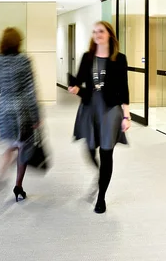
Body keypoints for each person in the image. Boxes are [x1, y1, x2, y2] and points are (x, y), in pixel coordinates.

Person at [68, 21, 131, 214]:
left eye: (101, 31)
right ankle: (100, 175)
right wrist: (74, 88)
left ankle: (101, 197)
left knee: (106, 152)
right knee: (88, 149)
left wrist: (126, 116)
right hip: (89, 108)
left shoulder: (119, 59)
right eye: (94, 31)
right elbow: (78, 82)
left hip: (111, 109)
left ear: (109, 34)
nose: (97, 34)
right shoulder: (87, 57)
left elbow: (124, 88)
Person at [0, 27, 40, 203]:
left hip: (5, 111)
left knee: (9, 148)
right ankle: (18, 186)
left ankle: (0, 179)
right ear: (18, 42)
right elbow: (30, 91)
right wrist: (36, 116)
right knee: (23, 149)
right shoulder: (24, 60)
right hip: (22, 111)